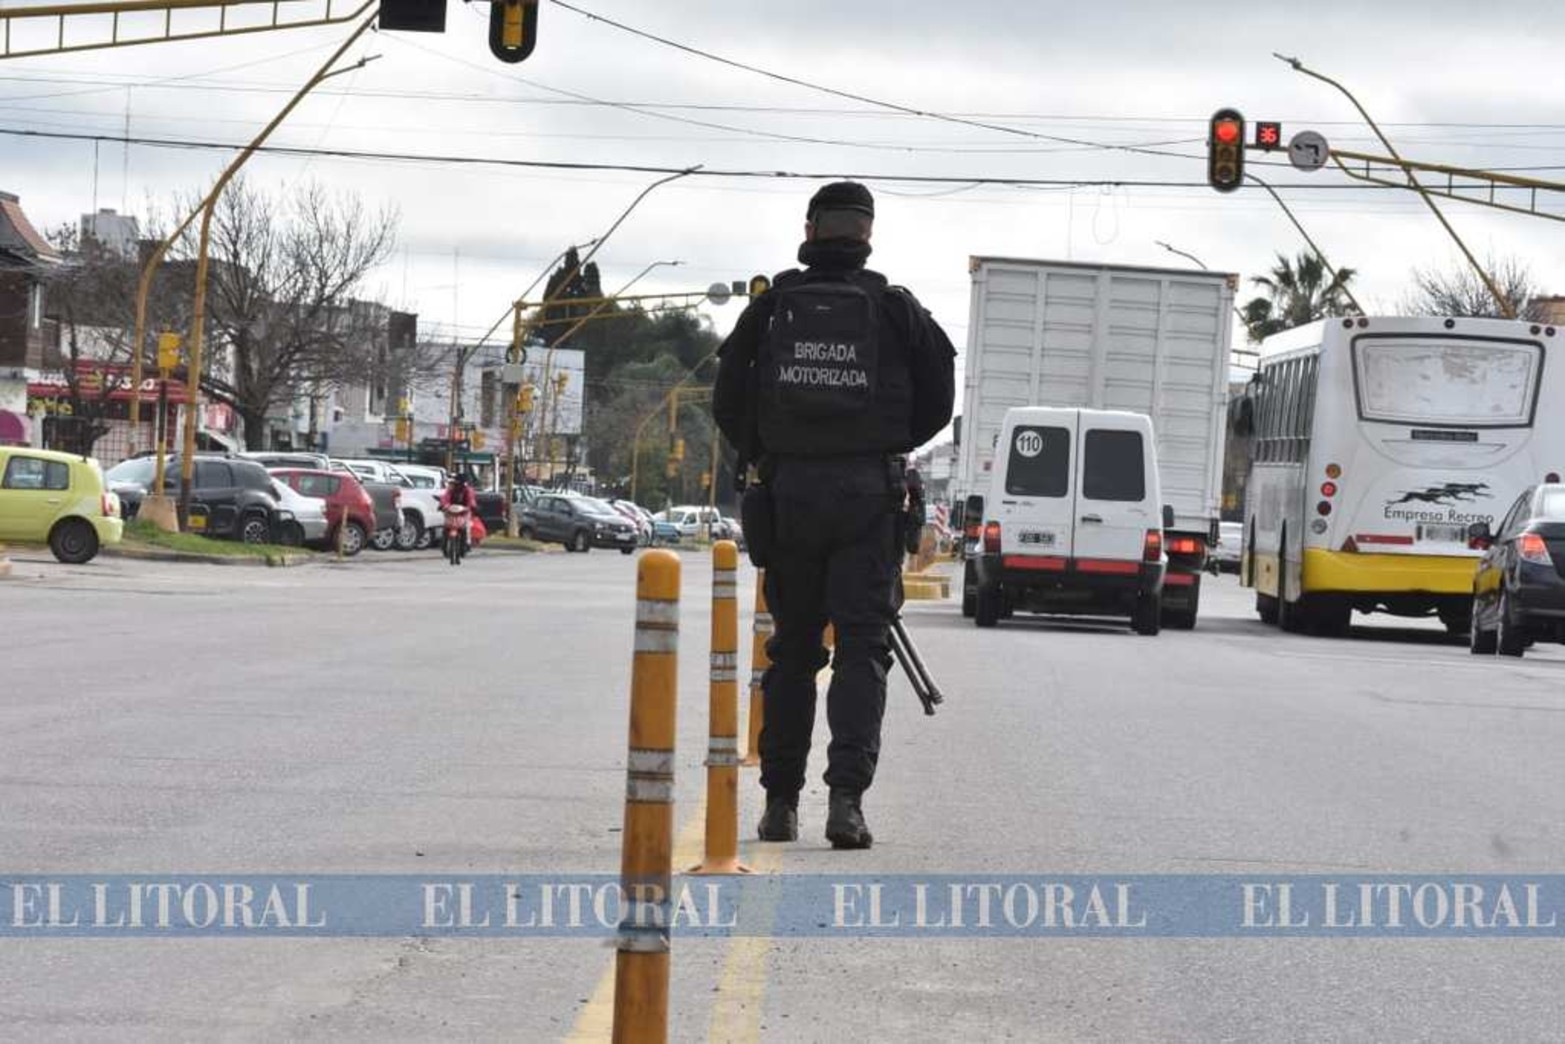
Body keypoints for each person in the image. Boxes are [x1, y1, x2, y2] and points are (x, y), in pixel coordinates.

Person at [713, 181, 956, 849]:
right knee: (859, 652)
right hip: (866, 502)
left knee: (791, 653)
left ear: (811, 230)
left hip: (789, 497)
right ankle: (845, 805)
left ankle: (779, 806)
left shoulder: (770, 309)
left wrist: (769, 452)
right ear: (866, 235)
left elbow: (728, 399)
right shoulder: (895, 309)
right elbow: (937, 401)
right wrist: (880, 445)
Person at [439, 472, 479, 557]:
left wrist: (471, 507)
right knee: (446, 527)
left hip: (463, 512)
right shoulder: (451, 489)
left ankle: (466, 544)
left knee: (466, 527)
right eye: (456, 482)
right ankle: (444, 545)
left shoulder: (468, 490)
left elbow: (471, 500)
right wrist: (443, 505)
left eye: (460, 482)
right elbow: (445, 497)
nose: (458, 484)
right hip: (451, 511)